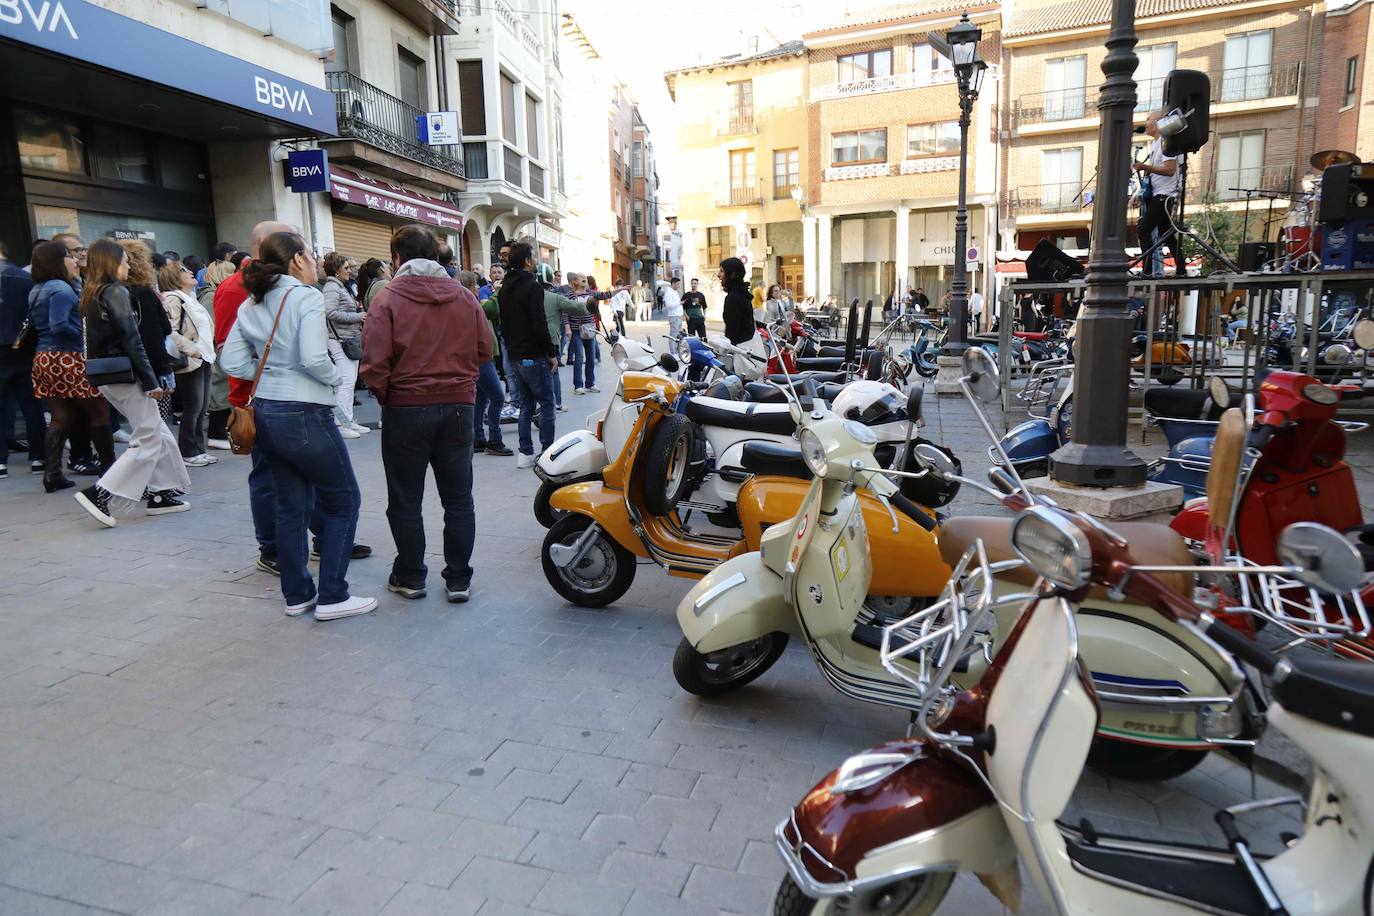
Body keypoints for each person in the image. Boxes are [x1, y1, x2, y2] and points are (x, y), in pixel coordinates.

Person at [221, 232, 374, 621]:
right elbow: (312, 357)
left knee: (290, 506)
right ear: (295, 260)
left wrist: (270, 373)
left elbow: (233, 363)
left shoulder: (254, 299)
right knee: (343, 501)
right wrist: (333, 377)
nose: (316, 261)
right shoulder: (304, 297)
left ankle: (298, 595)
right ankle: (334, 596)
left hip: (267, 409)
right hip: (304, 410)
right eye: (310, 253)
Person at [361, 226, 492, 603]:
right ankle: (458, 578)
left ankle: (411, 575)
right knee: (458, 497)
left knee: (405, 497)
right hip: (458, 406)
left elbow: (374, 361)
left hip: (406, 407)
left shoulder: (387, 299)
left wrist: (388, 394)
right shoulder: (464, 297)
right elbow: (486, 349)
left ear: (397, 259)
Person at [73, 240, 190, 526]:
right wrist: (151, 380)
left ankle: (162, 493)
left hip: (108, 375)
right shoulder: (114, 291)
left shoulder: (91, 292)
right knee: (149, 437)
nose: (128, 266)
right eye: (123, 261)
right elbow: (131, 339)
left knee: (156, 432)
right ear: (111, 263)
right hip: (127, 375)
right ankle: (101, 493)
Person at [498, 242, 558, 468]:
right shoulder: (532, 286)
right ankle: (548, 453)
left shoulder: (504, 287)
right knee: (547, 404)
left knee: (526, 405)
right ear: (526, 261)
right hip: (534, 354)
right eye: (533, 257)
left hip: (515, 354)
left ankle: (525, 454)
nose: (536, 261)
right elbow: (539, 323)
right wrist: (551, 351)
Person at [159, 260, 216, 466]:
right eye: (184, 270)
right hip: (191, 358)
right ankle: (188, 451)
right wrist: (192, 350)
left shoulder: (190, 297)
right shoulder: (173, 299)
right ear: (174, 277)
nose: (191, 272)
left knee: (201, 407)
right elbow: (170, 332)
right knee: (193, 406)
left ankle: (198, 448)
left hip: (204, 357)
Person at [117, 241, 176, 428]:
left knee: (145, 425)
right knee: (156, 426)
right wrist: (163, 370)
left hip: (126, 368)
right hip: (150, 368)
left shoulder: (115, 293)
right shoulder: (143, 294)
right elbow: (156, 334)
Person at [0, 240, 45, 481]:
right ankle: (38, 457)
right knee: (32, 405)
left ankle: (0, 462)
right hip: (23, 348)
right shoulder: (24, 279)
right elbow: (35, 316)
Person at [460, 270, 511, 456]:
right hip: (481, 358)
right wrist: (497, 292)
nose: (478, 287)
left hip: (479, 357)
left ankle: (478, 438)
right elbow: (490, 310)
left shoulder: (466, 302)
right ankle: (494, 439)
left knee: (481, 398)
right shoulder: (467, 303)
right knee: (497, 397)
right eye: (475, 284)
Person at [321, 252, 367, 438]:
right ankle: (341, 425)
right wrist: (357, 316)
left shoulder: (339, 286)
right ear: (337, 270)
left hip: (347, 338)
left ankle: (348, 421)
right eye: (346, 268)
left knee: (349, 381)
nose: (350, 271)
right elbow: (329, 312)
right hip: (340, 339)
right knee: (346, 382)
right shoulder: (333, 287)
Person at [1134, 111, 1183, 278]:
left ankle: (1147, 270)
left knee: (1144, 229)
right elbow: (1155, 173)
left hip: (1165, 195)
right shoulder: (1155, 144)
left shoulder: (1165, 142)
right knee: (1166, 234)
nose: (1146, 124)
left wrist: (1145, 167)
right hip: (1158, 193)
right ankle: (1182, 269)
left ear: (1157, 123)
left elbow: (1170, 170)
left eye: (1148, 120)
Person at [537, 263, 587, 415]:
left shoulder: (529, 295)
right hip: (551, 341)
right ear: (551, 279)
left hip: (531, 342)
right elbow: (579, 308)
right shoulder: (555, 297)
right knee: (554, 373)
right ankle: (557, 403)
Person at [201, 259, 237, 449]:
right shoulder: (211, 296)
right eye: (230, 272)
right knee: (220, 389)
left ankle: (221, 434)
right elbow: (211, 327)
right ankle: (217, 435)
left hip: (222, 347)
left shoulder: (216, 294)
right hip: (217, 349)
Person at [565, 273, 600, 395]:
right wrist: (567, 328)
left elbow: (604, 295)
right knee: (579, 358)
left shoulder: (590, 293)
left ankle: (590, 383)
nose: (584, 278)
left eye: (584, 277)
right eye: (581, 277)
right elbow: (565, 313)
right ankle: (578, 385)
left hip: (589, 329)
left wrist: (620, 289)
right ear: (575, 282)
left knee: (591, 357)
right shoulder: (570, 295)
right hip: (576, 330)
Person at [720, 257, 754, 345]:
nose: (718, 275)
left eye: (722, 271)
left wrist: (729, 350)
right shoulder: (742, 294)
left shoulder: (733, 298)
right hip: (747, 345)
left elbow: (732, 330)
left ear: (733, 274)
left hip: (739, 349)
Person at [662, 277, 685, 341]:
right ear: (673, 284)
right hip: (674, 315)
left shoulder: (674, 292)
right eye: (678, 284)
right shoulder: (669, 292)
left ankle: (677, 349)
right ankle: (673, 351)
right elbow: (669, 305)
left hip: (678, 315)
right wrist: (679, 303)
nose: (679, 286)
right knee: (674, 334)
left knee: (678, 334)